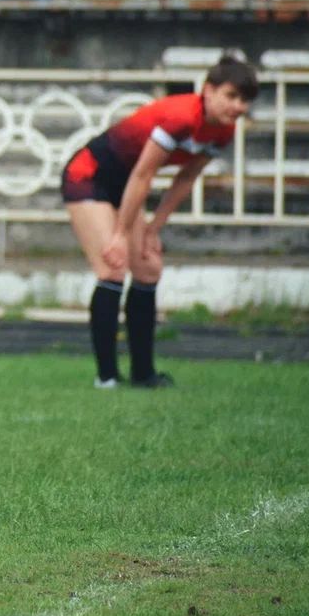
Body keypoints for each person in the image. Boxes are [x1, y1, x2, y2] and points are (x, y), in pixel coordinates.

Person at [61, 55, 259, 389]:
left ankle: (143, 374)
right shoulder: (181, 117)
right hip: (89, 176)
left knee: (149, 268)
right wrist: (121, 234)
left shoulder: (223, 131)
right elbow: (143, 174)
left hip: (125, 184)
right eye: (231, 96)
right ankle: (106, 377)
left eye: (245, 100)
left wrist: (154, 229)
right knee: (112, 267)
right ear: (208, 90)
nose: (238, 106)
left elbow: (186, 178)